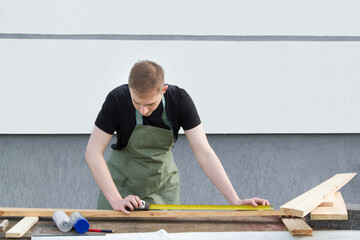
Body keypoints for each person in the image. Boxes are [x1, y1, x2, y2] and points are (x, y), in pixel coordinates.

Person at [85, 60, 269, 214]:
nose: (143, 110)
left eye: (150, 104)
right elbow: (93, 153)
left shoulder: (179, 101)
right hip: (121, 187)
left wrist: (235, 200)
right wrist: (116, 199)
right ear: (129, 89)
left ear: (163, 90)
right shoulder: (116, 100)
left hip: (163, 191)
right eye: (136, 102)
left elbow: (204, 152)